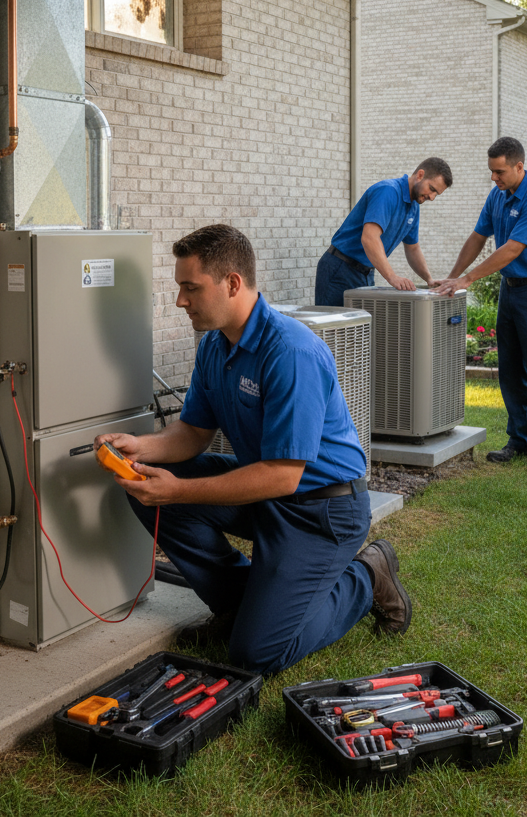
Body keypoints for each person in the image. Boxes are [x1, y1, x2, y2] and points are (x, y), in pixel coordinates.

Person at [94, 224, 411, 674]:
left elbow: (284, 475)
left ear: (233, 284)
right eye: (179, 288)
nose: (180, 300)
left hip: (322, 511)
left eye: (190, 288)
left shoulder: (290, 352)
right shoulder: (214, 346)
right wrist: (139, 447)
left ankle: (368, 575)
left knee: (256, 655)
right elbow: (193, 433)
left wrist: (178, 491)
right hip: (267, 494)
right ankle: (242, 605)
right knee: (143, 484)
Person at [435, 137, 527, 474]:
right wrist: (452, 277)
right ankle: (521, 441)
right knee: (510, 370)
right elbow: (478, 236)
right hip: (511, 291)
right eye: (492, 172)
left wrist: (468, 280)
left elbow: (512, 249)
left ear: (519, 167)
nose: (494, 178)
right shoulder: (497, 195)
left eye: (499, 172)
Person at [315, 158, 453, 307]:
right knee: (334, 329)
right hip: (341, 269)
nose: (432, 197)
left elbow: (412, 248)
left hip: (366, 274)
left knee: (363, 329)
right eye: (431, 189)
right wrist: (392, 277)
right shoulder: (388, 191)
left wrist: (429, 279)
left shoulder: (414, 207)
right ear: (420, 175)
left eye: (436, 194)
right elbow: (369, 238)